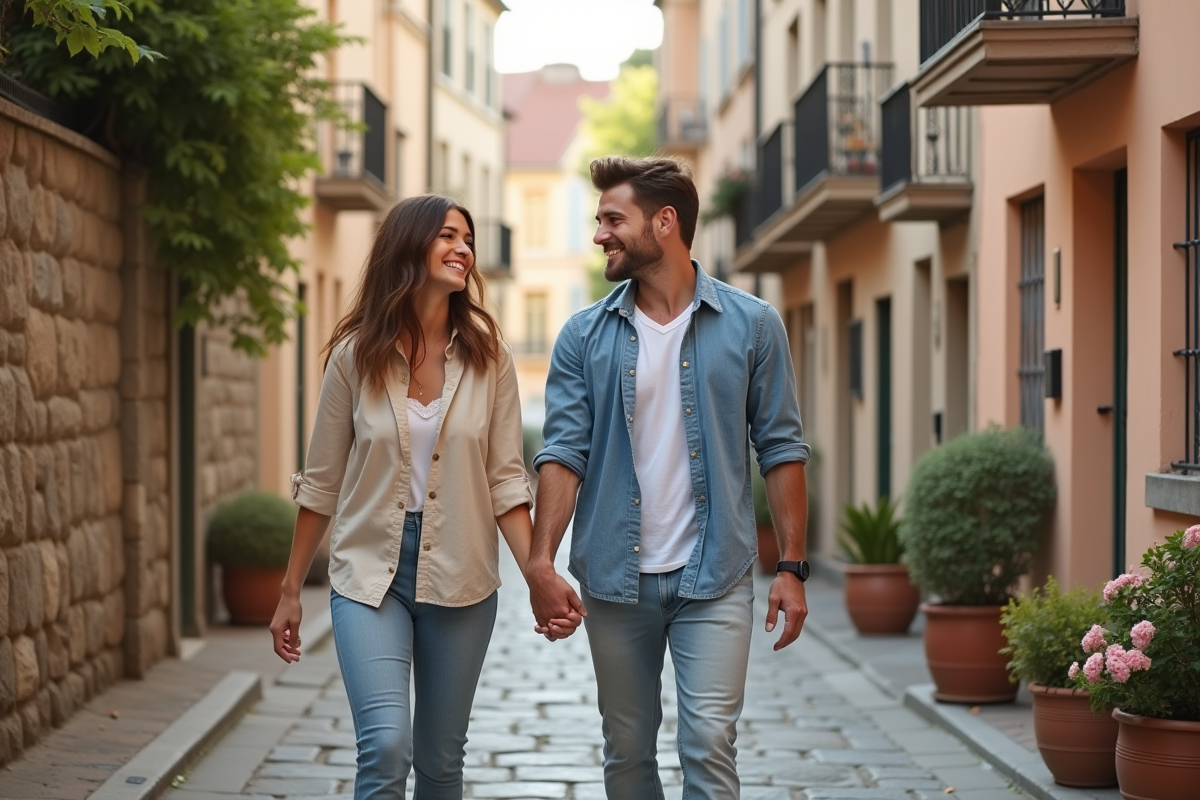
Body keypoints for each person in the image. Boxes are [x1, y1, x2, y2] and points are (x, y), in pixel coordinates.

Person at [269, 194, 575, 800]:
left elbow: (506, 481)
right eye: (447, 236)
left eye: (467, 240)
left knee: (439, 762)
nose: (463, 249)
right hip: (367, 573)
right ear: (408, 247)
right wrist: (288, 592)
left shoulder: (492, 360)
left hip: (462, 574)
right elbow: (322, 480)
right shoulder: (356, 357)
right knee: (384, 748)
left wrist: (538, 572)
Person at [524, 156, 811, 800]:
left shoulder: (753, 325)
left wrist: (792, 567)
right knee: (627, 750)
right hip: (612, 580)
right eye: (599, 220)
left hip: (715, 575)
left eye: (613, 219)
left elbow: (782, 447)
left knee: (709, 742)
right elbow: (562, 453)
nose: (600, 234)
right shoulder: (582, 335)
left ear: (665, 222)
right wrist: (541, 561)